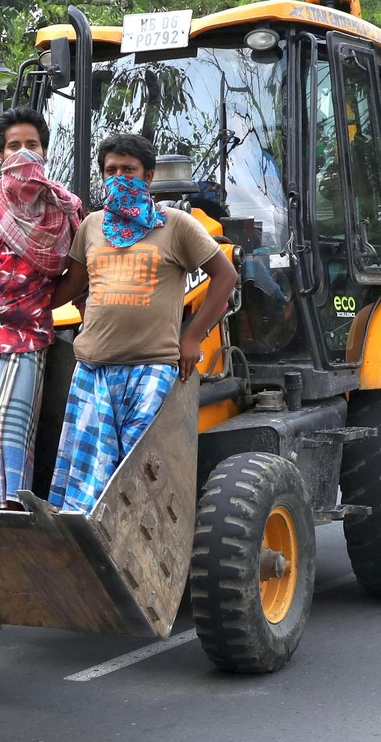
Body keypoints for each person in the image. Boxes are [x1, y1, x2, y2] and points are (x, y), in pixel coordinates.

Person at [47, 134, 237, 513]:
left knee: (141, 476)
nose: (119, 177)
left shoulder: (176, 225)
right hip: (94, 370)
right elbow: (72, 285)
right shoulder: (92, 226)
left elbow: (226, 276)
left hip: (151, 368)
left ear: (148, 176)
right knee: (90, 483)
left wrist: (192, 337)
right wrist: (16, 304)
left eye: (128, 170)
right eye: (111, 170)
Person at [0, 107, 84, 510]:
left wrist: (39, 303)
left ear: (45, 151)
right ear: (0, 155)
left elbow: (80, 272)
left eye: (32, 145)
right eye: (14, 146)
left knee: (11, 432)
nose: (23, 153)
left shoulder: (63, 209)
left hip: (28, 338)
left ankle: (9, 515)